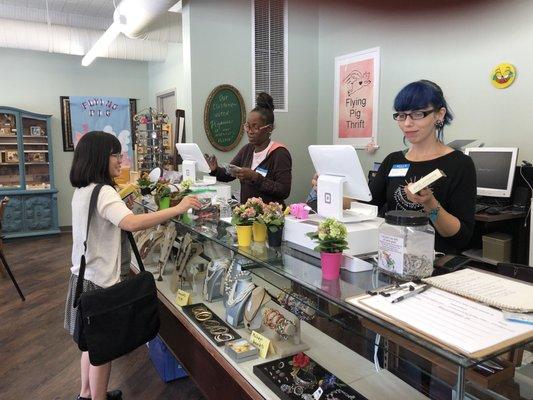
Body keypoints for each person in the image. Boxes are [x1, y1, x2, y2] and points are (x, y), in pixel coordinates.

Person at [64, 131, 201, 400]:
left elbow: (106, 222)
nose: (120, 160)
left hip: (82, 278)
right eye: (115, 154)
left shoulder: (83, 190)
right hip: (102, 282)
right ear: (99, 158)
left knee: (89, 344)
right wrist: (177, 208)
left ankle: (86, 394)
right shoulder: (104, 192)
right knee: (102, 351)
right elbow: (132, 223)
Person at [369, 80, 476, 254]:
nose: (407, 123)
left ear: (439, 115)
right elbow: (366, 207)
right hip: (391, 256)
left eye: (417, 114)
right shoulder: (393, 160)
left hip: (434, 262)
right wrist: (331, 186)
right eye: (401, 115)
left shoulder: (459, 164)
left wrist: (430, 204)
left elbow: (460, 237)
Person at [206, 92, 292, 205]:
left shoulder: (279, 153)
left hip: (269, 218)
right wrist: (215, 170)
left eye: (255, 127)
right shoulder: (247, 150)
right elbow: (229, 174)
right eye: (247, 126)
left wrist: (255, 177)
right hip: (248, 216)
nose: (250, 131)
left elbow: (284, 191)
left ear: (269, 128)